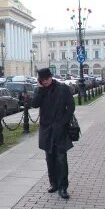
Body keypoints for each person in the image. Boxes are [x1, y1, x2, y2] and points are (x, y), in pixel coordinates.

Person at [30, 68, 75, 199]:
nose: (45, 82)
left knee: (61, 158)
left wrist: (63, 122)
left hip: (60, 129)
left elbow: (71, 106)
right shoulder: (41, 90)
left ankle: (63, 187)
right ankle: (53, 183)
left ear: (51, 77)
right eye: (42, 81)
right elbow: (34, 104)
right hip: (46, 130)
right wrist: (40, 89)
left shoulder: (63, 89)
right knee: (50, 158)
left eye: (46, 79)